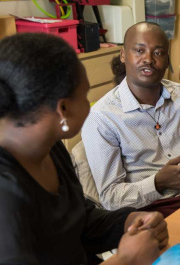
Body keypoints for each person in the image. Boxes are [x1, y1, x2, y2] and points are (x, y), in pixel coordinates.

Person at [0, 33, 168, 264]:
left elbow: (78, 221)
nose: (91, 106)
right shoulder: (6, 195)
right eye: (85, 96)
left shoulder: (52, 149)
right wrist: (127, 260)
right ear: (64, 109)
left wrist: (127, 221)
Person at [82, 22, 180, 217]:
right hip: (148, 211)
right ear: (122, 55)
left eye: (158, 53)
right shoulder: (103, 117)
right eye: (139, 50)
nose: (148, 60)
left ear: (167, 58)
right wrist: (158, 183)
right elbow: (110, 197)